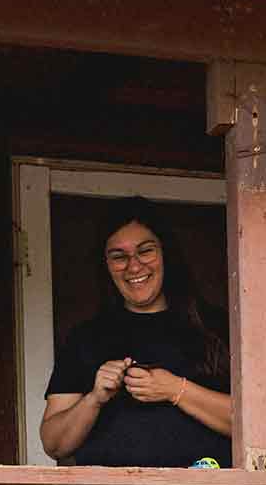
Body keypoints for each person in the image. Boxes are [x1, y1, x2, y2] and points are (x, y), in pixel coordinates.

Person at [40, 199, 233, 468]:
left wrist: (175, 389)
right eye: (119, 256)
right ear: (105, 266)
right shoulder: (86, 337)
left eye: (146, 251)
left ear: (166, 254)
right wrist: (94, 398)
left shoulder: (216, 326)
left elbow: (254, 427)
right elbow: (54, 444)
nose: (134, 266)